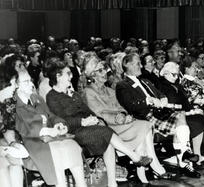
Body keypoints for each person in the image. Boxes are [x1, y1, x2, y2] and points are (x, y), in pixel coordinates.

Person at [45, 59, 152, 187]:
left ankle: (112, 183)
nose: (71, 76)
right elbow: (61, 120)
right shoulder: (52, 96)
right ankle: (134, 156)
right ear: (58, 76)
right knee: (105, 133)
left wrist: (96, 119)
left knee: (107, 141)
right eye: (68, 73)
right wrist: (83, 121)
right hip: (72, 131)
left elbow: (87, 111)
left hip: (88, 128)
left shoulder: (73, 94)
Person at [82, 59, 171, 183]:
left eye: (105, 69)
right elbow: (99, 113)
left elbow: (121, 107)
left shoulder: (109, 90)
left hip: (121, 123)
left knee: (144, 125)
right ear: (92, 75)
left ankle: (143, 171)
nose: (105, 73)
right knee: (142, 128)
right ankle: (152, 166)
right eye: (100, 70)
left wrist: (124, 115)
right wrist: (118, 119)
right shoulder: (88, 92)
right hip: (107, 127)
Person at [116, 53, 201, 178]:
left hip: (160, 112)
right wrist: (148, 101)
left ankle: (185, 153)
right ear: (127, 65)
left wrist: (163, 99)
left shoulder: (145, 80)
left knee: (180, 116)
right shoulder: (122, 85)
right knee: (180, 124)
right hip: (145, 115)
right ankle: (184, 163)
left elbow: (160, 93)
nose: (141, 66)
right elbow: (129, 105)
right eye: (137, 63)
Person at [15, 71, 87, 187]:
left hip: (51, 137)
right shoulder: (14, 104)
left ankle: (82, 184)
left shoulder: (37, 98)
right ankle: (61, 184)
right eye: (26, 82)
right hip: (34, 141)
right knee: (57, 153)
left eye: (31, 80)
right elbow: (24, 128)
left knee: (72, 146)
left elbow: (51, 115)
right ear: (16, 85)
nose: (31, 84)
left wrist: (60, 124)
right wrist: (48, 131)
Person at [156, 62, 204, 169]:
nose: (176, 77)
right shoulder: (160, 85)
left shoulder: (178, 85)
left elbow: (186, 102)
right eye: (173, 74)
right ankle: (197, 159)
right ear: (166, 73)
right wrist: (190, 112)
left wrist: (193, 110)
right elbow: (167, 105)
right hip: (172, 115)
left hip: (185, 112)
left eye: (177, 74)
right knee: (197, 123)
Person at [0, 56, 29, 187]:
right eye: (11, 84)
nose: (15, 87)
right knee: (2, 166)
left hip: (3, 142)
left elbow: (8, 128)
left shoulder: (9, 103)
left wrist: (11, 143)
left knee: (15, 162)